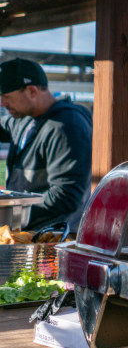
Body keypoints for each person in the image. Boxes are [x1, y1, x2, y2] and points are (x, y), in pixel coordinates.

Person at [0, 58, 92, 231]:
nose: (2, 104)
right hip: (25, 232)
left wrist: (9, 214)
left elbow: (65, 197)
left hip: (52, 239)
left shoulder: (65, 127)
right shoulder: (25, 119)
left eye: (6, 97)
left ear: (32, 91)